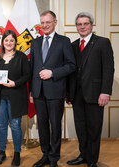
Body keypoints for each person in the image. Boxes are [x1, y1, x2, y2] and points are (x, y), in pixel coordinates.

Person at [66, 12, 114, 167]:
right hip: (76, 95)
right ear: (76, 27)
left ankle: (92, 160)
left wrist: (105, 92)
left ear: (91, 25)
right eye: (79, 24)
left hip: (95, 94)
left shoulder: (102, 43)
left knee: (93, 128)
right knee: (80, 128)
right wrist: (68, 93)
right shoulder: (73, 45)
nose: (82, 27)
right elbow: (71, 71)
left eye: (85, 24)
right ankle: (83, 155)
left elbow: (108, 69)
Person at [30, 10, 76, 167]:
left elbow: (71, 66)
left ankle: (54, 158)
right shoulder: (35, 42)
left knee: (55, 125)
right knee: (42, 125)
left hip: (56, 91)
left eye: (48, 22)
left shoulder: (64, 41)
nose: (44, 25)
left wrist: (53, 73)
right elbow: (32, 68)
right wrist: (31, 90)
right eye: (42, 22)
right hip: (38, 92)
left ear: (55, 23)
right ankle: (45, 155)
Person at [0, 30, 30, 166]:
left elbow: (27, 76)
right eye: (6, 40)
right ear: (2, 42)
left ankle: (17, 154)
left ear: (15, 42)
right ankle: (1, 153)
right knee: (1, 126)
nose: (8, 43)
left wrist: (15, 83)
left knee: (15, 126)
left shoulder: (21, 57)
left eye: (11, 40)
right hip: (1, 97)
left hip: (16, 96)